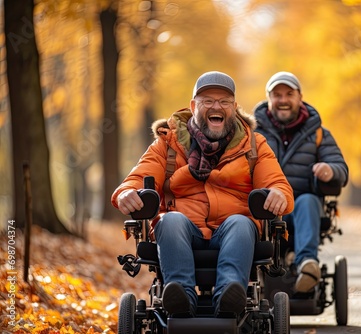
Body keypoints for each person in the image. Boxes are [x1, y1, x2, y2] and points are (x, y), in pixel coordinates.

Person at [112, 71, 294, 317]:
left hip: (234, 227)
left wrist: (278, 194)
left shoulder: (254, 145)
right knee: (169, 220)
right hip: (183, 226)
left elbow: (277, 183)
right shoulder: (168, 143)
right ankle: (180, 297)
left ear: (234, 107)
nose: (216, 106)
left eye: (224, 102)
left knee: (241, 223)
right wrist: (126, 192)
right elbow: (137, 177)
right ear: (193, 105)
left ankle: (230, 295)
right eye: (207, 100)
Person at [253, 71, 348, 293]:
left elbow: (341, 168)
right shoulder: (252, 134)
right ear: (269, 98)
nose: (283, 100)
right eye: (277, 95)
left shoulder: (318, 134)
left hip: (300, 211)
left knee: (307, 201)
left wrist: (330, 170)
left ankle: (307, 265)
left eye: (289, 94)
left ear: (300, 97)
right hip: (263, 210)